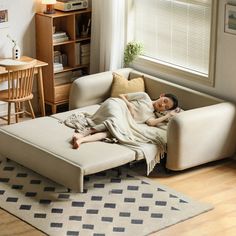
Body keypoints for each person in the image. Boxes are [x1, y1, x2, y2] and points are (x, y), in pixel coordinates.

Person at [72, 92, 179, 149]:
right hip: (117, 105)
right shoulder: (144, 96)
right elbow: (122, 95)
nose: (163, 105)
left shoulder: (151, 116)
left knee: (110, 133)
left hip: (121, 120)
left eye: (166, 107)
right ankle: (84, 133)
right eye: (165, 101)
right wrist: (130, 106)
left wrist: (168, 115)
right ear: (162, 95)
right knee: (114, 121)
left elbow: (151, 123)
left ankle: (81, 140)